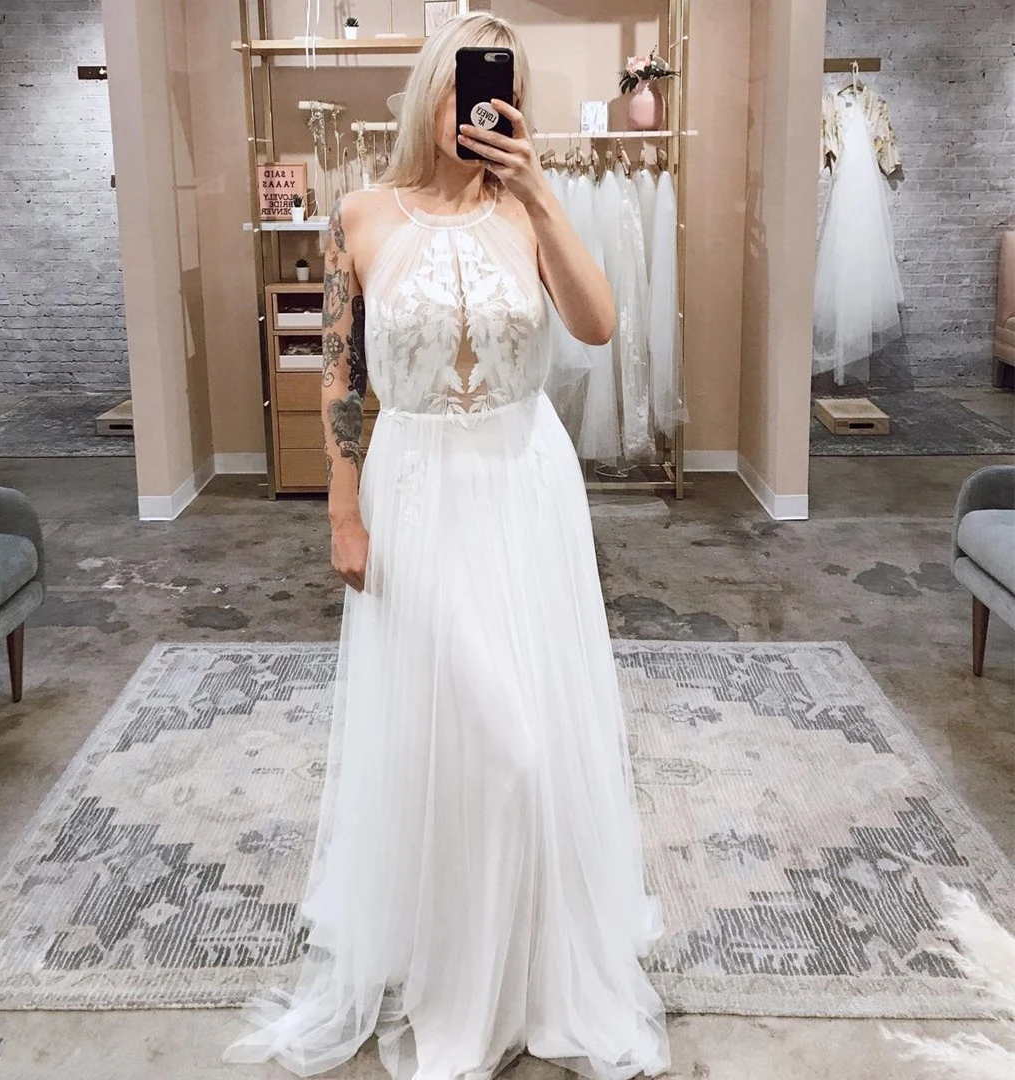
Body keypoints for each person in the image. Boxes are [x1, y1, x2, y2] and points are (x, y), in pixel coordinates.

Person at [222, 12, 671, 1079]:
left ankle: (521, 966)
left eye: (503, 84)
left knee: (521, 742)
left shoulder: (530, 211)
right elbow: (341, 375)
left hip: (525, 485)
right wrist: (342, 510)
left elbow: (599, 325)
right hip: (417, 489)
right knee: (475, 732)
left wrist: (542, 191)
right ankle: (457, 973)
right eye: (468, 81)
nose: (482, 101)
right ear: (433, 89)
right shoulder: (360, 217)